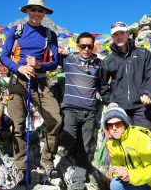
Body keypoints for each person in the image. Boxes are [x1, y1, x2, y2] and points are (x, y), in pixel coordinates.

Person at [0, 0, 62, 182]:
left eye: (40, 10)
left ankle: (47, 159)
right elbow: (4, 57)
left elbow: (54, 62)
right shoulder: (15, 31)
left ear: (44, 13)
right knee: (18, 125)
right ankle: (21, 167)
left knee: (56, 120)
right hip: (17, 82)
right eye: (33, 9)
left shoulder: (50, 35)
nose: (36, 13)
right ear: (27, 11)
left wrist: (38, 66)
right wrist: (19, 67)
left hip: (40, 83)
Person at [103, 103, 151, 190]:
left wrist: (130, 175)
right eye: (110, 125)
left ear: (125, 124)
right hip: (138, 182)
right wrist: (117, 173)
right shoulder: (111, 143)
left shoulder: (140, 137)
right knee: (115, 184)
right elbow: (119, 169)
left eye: (118, 124)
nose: (114, 128)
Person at [60, 32, 101, 190]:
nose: (86, 49)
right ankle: (69, 151)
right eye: (82, 46)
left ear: (93, 47)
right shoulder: (68, 60)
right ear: (77, 46)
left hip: (89, 111)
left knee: (85, 147)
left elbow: (103, 83)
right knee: (67, 138)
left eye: (89, 46)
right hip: (71, 109)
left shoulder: (98, 64)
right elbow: (48, 59)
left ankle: (78, 181)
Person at [100, 22, 151, 130]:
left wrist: (147, 93)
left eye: (122, 33)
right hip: (119, 108)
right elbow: (102, 84)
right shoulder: (108, 60)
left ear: (128, 34)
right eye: (116, 34)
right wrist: (111, 101)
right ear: (112, 37)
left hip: (141, 107)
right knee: (122, 141)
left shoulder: (143, 53)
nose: (119, 37)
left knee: (143, 139)